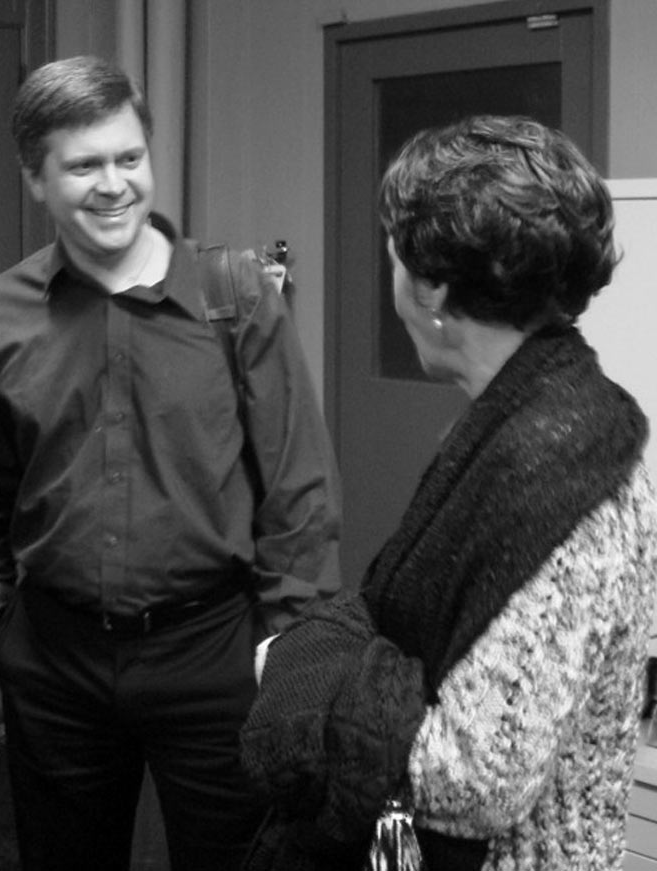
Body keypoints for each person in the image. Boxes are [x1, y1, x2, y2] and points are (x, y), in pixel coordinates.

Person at [0, 55, 341, 871]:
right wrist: (0, 622)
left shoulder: (234, 299)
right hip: (54, 660)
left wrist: (283, 651)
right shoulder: (4, 312)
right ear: (35, 177)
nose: (113, 184)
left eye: (129, 158)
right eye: (84, 164)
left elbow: (297, 493)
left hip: (214, 654)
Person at [240, 114, 657, 871]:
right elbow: (391, 611)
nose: (393, 280)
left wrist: (299, 677)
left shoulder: (564, 467)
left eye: (395, 257)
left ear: (430, 284)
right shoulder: (516, 420)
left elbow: (476, 776)